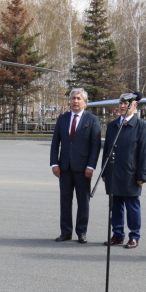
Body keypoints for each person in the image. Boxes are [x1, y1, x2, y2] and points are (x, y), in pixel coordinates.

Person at [50, 88, 101, 244]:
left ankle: (81, 232)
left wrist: (91, 166)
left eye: (79, 98)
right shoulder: (63, 119)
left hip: (83, 168)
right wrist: (54, 163)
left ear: (85, 102)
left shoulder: (92, 120)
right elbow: (55, 143)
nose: (75, 101)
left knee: (83, 201)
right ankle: (65, 232)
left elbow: (95, 145)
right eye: (73, 98)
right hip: (64, 167)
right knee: (65, 200)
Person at [101, 92, 146, 249]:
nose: (122, 106)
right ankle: (117, 234)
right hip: (113, 172)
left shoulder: (141, 127)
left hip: (131, 173)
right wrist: (104, 171)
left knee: (132, 206)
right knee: (115, 206)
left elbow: (144, 153)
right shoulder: (112, 125)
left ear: (134, 106)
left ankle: (134, 236)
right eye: (121, 103)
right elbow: (107, 149)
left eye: (127, 104)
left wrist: (142, 175)